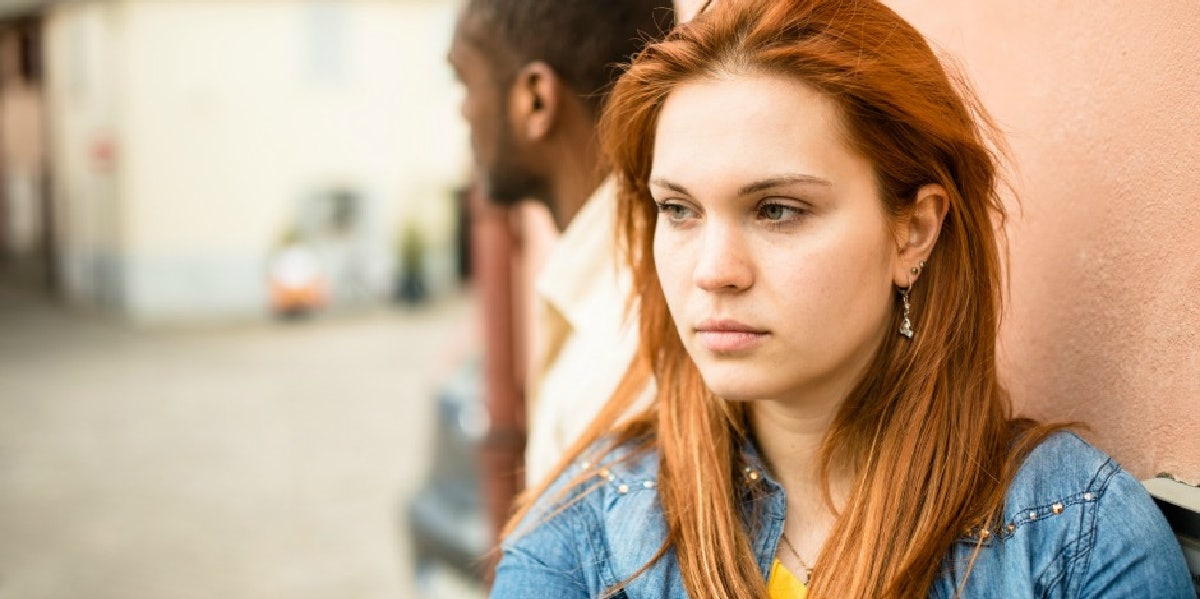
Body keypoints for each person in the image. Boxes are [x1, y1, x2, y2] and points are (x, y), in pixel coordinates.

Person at [490, 1, 1194, 597]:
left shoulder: (1077, 539)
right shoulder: (581, 543)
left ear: (913, 231)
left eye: (776, 210)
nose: (713, 270)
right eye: (679, 209)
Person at [448, 0, 672, 485]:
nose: (462, 111)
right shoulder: (611, 286)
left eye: (465, 83)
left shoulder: (622, 336)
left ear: (535, 100)